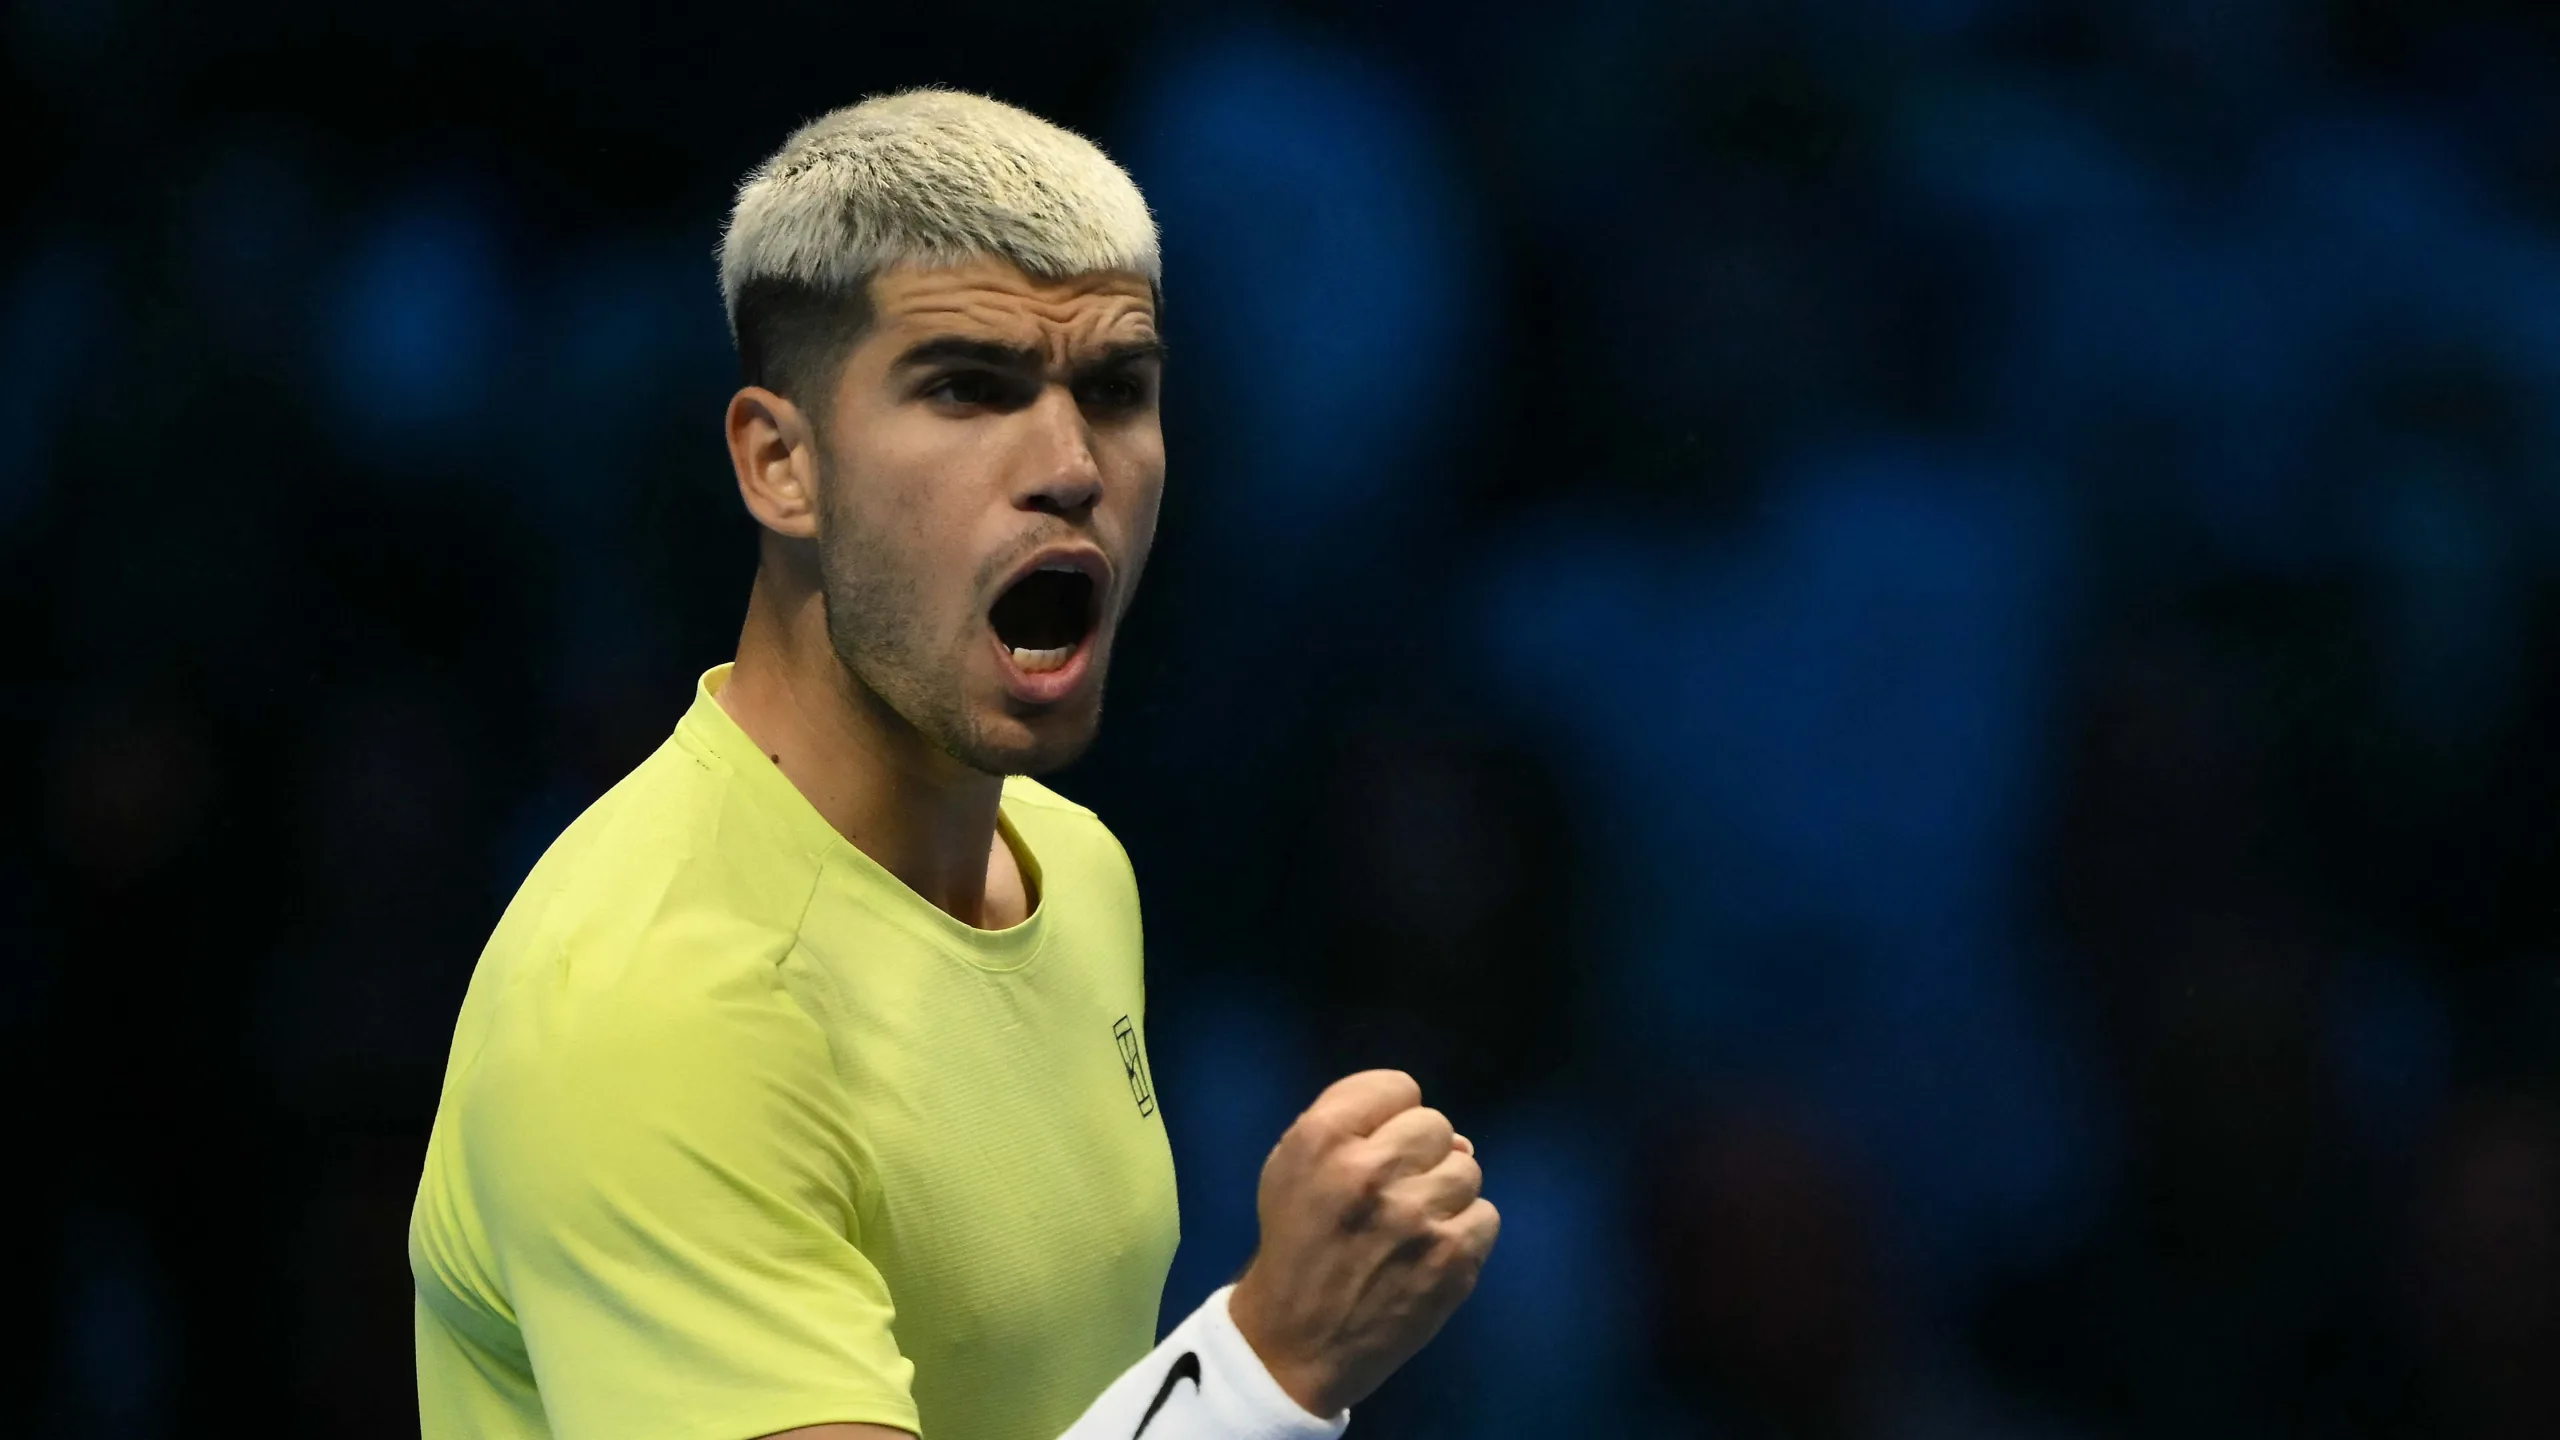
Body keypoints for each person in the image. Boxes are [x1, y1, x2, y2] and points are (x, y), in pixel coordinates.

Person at [407, 89, 1500, 1440]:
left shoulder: (1077, 870)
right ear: (780, 464)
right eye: (967, 390)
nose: (1071, 467)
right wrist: (1269, 1366)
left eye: (1117, 391)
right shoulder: (660, 1000)